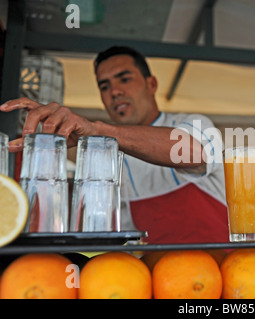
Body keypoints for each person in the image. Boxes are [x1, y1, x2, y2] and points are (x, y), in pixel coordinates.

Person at [0, 46, 229, 244]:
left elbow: (194, 152)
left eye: (125, 79)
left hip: (223, 277)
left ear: (152, 84)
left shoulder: (195, 124)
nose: (115, 92)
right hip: (159, 282)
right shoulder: (106, 159)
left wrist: (97, 130)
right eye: (104, 86)